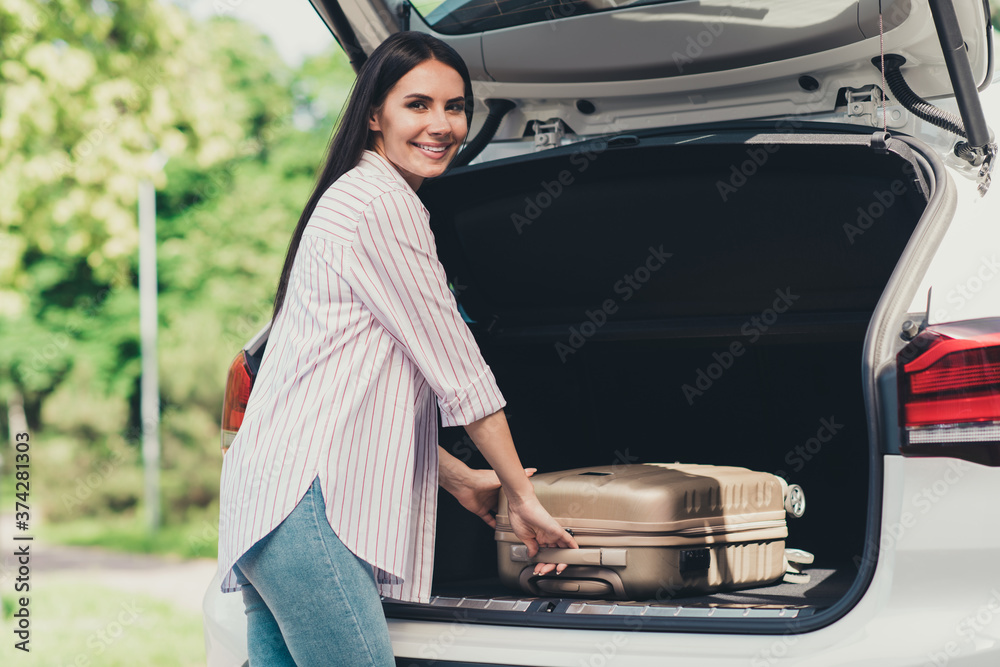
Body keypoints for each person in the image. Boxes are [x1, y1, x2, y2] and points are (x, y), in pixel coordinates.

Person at [216, 31, 578, 666]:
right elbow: (462, 376)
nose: (441, 124)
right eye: (418, 105)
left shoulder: (356, 195)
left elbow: (351, 393)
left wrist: (462, 479)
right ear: (375, 114)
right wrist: (523, 494)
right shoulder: (383, 205)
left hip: (270, 505)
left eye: (455, 106)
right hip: (302, 509)